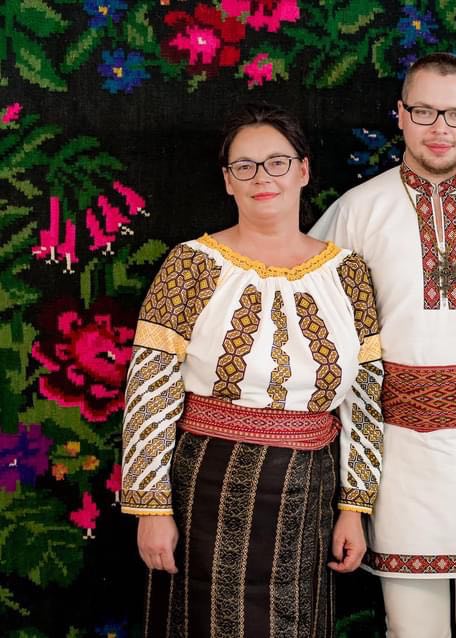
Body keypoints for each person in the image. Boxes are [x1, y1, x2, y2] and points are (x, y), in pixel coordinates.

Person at [310, 53, 456, 637]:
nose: (440, 128)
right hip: (397, 455)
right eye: (423, 111)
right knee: (410, 629)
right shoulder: (356, 212)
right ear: (399, 114)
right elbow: (316, 329)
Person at [120, 102, 384, 636]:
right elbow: (151, 386)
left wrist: (355, 507)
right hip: (209, 484)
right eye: (245, 166)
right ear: (227, 180)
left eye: (277, 162)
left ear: (303, 170)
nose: (262, 178)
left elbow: (365, 397)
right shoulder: (191, 264)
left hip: (309, 489)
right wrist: (151, 508)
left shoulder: (347, 272)